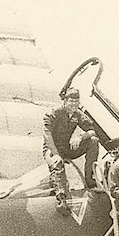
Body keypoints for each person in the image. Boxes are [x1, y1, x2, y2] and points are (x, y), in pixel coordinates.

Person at [43, 86, 101, 214]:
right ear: (65, 101)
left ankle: (90, 182)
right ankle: (62, 199)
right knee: (58, 163)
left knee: (93, 141)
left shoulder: (77, 114)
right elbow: (46, 134)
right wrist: (56, 154)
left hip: (68, 147)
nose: (74, 104)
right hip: (51, 148)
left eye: (76, 101)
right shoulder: (55, 112)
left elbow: (92, 130)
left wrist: (81, 136)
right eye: (71, 101)